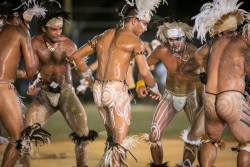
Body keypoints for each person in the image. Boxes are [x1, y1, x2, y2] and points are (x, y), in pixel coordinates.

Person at [72, 0, 166, 166]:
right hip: (116, 92)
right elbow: (144, 72)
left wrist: (89, 78)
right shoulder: (134, 41)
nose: (145, 28)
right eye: (144, 24)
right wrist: (155, 88)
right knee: (119, 145)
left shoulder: (104, 35)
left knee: (112, 139)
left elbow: (76, 57)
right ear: (133, 20)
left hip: (98, 91)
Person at [23, 1, 97, 167]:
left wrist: (92, 83)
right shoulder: (34, 43)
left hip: (66, 92)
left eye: (60, 29)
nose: (58, 33)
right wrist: (33, 82)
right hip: (44, 94)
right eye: (54, 29)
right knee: (26, 133)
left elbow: (81, 70)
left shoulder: (69, 45)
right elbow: (31, 70)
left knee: (83, 134)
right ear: (44, 28)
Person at [181, 0, 250, 166]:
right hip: (231, 99)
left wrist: (202, 77)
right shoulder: (242, 44)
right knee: (247, 144)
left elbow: (185, 68)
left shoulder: (211, 45)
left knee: (209, 141)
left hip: (210, 100)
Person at [137, 20, 205, 167]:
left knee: (195, 137)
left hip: (191, 97)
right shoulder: (161, 50)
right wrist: (140, 83)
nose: (174, 43)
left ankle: (187, 164)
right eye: (171, 40)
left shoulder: (194, 52)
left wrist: (202, 102)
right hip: (170, 96)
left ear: (184, 37)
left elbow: (203, 80)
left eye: (177, 39)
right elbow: (144, 66)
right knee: (154, 136)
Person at [0, 0, 50, 167]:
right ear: (16, 17)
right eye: (26, 19)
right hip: (2, 89)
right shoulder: (20, 32)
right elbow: (31, 70)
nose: (27, 24)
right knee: (19, 138)